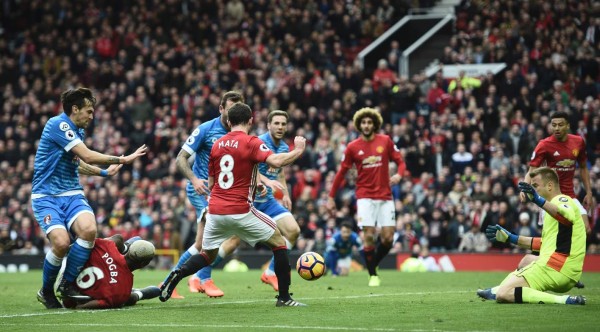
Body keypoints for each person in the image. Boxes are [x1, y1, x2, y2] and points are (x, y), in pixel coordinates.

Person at [159, 102, 308, 307]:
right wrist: (298, 150)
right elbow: (276, 162)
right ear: (250, 121)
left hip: (215, 211)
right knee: (280, 243)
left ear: (229, 121)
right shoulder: (252, 142)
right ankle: (284, 298)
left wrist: (250, 185)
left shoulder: (217, 144)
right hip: (241, 210)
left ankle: (178, 274)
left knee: (207, 255)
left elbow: (212, 183)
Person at [33, 88, 148, 309]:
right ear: (74, 109)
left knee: (88, 230)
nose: (91, 116)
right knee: (61, 242)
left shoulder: (77, 130)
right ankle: (46, 291)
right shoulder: (58, 124)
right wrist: (122, 160)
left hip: (72, 193)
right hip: (46, 196)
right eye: (89, 111)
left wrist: (104, 173)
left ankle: (66, 284)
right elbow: (86, 154)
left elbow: (78, 163)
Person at [168, 91, 244, 298]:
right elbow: (180, 158)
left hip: (224, 193)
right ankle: (204, 278)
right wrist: (193, 179)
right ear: (221, 109)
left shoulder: (241, 133)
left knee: (215, 241)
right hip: (202, 189)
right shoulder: (205, 129)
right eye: (230, 110)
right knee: (213, 235)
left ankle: (170, 281)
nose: (233, 115)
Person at [477, 167, 586, 305]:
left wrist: (538, 200)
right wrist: (510, 238)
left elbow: (567, 217)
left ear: (550, 185)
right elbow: (544, 243)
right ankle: (499, 289)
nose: (533, 190)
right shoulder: (551, 210)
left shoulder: (562, 200)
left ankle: (565, 300)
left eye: (535, 186)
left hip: (556, 268)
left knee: (503, 294)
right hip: (568, 272)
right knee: (526, 260)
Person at [327, 107, 407, 287]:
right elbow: (341, 173)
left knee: (387, 239)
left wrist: (399, 175)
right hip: (364, 197)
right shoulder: (352, 147)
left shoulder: (385, 141)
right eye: (363, 122)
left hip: (385, 196)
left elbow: (400, 161)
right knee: (369, 235)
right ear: (359, 125)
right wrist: (331, 197)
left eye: (370, 122)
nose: (366, 125)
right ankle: (373, 274)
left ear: (375, 124)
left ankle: (372, 262)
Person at [519, 111, 591, 287]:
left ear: (567, 125)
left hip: (571, 197)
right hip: (552, 197)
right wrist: (525, 187)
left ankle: (568, 270)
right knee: (551, 238)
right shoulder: (544, 144)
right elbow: (532, 168)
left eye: (560, 124)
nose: (556, 128)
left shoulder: (578, 142)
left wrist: (589, 191)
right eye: (554, 125)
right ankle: (546, 267)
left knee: (586, 228)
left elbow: (583, 167)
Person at [254, 110, 301, 291]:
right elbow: (250, 169)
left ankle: (271, 272)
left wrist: (286, 194)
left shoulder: (283, 147)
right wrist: (263, 182)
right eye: (277, 123)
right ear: (268, 125)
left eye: (283, 124)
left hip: (268, 201)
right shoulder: (258, 142)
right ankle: (201, 275)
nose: (280, 127)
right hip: (249, 201)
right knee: (230, 242)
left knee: (293, 231)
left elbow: (280, 172)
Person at [60, 235, 160, 309]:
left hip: (64, 276)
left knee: (118, 240)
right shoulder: (123, 289)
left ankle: (126, 246)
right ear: (144, 264)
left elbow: (86, 245)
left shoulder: (108, 246)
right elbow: (82, 307)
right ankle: (140, 293)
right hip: (72, 298)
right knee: (127, 297)